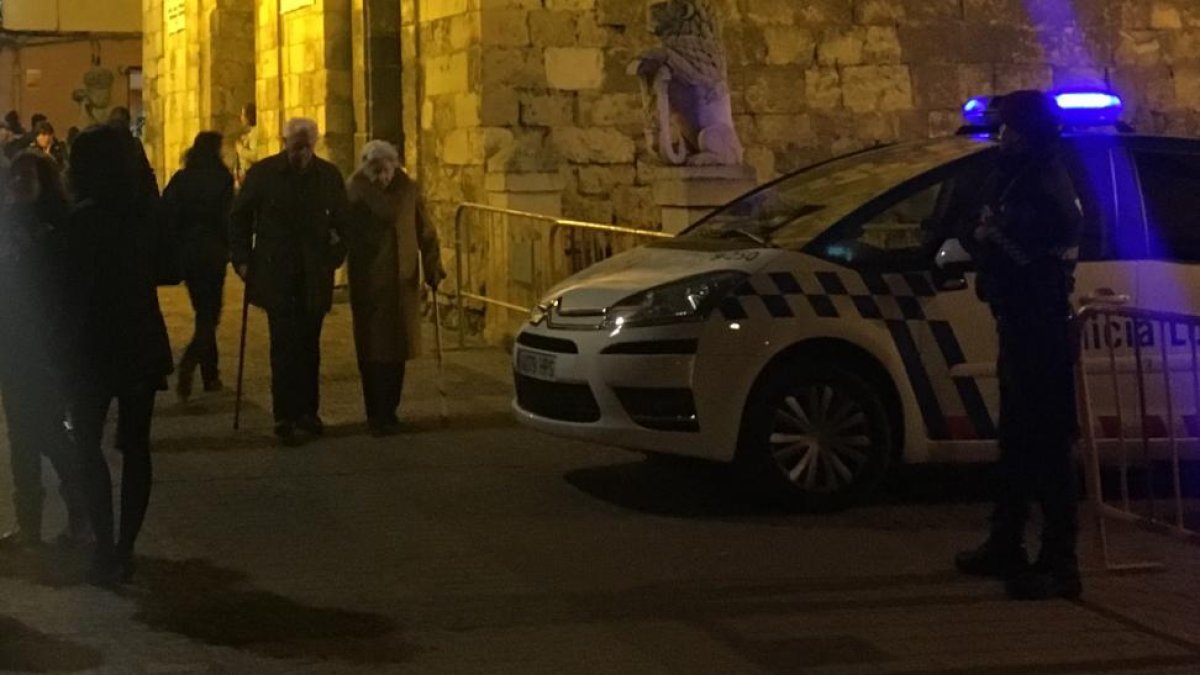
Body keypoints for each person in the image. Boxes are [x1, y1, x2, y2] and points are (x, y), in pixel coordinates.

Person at [954, 90, 1084, 601]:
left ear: (1028, 133)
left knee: (1048, 444)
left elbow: (1012, 243)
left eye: (1009, 129)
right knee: (1016, 440)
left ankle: (1060, 562)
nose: (1001, 138)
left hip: (1041, 326)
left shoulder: (1045, 185)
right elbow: (976, 226)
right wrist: (986, 235)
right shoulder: (1020, 175)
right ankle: (1006, 541)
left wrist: (990, 238)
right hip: (1019, 321)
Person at [63, 125, 173, 585]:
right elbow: (169, 269)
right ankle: (124, 546)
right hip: (139, 338)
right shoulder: (145, 217)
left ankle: (105, 545)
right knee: (135, 447)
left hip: (91, 345)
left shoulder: (79, 223)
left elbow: (64, 288)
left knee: (86, 445)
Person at [230, 118, 349, 446]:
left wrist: (335, 255)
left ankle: (308, 412)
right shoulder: (264, 174)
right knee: (283, 347)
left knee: (309, 347)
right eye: (296, 147)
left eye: (306, 146)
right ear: (285, 143)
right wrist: (242, 260)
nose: (301, 154)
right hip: (277, 273)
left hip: (313, 274)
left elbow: (343, 219)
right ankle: (284, 414)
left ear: (314, 144)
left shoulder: (328, 177)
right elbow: (239, 216)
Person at [0, 153, 89, 550]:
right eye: (15, 174)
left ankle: (79, 514)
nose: (19, 180)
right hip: (13, 346)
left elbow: (68, 289)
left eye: (27, 173)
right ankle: (29, 526)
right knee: (20, 437)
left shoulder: (60, 227)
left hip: (48, 348)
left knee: (51, 434)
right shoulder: (8, 223)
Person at [345, 140, 445, 436]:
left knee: (398, 347)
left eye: (386, 171)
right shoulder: (355, 190)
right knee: (373, 349)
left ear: (394, 166)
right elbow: (343, 229)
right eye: (375, 172)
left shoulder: (408, 188)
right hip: (369, 280)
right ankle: (375, 412)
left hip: (402, 280)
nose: (382, 178)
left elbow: (425, 230)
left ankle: (390, 409)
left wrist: (433, 264)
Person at [164, 132, 235, 400]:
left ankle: (210, 373)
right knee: (209, 314)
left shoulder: (182, 180)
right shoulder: (222, 179)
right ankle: (192, 362)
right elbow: (227, 218)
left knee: (203, 311)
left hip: (189, 252)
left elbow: (168, 212)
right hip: (213, 252)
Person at [234, 103, 259, 188]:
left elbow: (255, 156)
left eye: (243, 114)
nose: (241, 118)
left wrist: (240, 149)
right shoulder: (250, 133)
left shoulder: (255, 133)